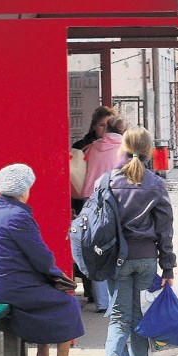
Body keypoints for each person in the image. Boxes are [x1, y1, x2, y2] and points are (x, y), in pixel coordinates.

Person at [0, 164, 87, 356]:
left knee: (48, 293)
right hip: (7, 287)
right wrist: (57, 276)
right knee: (66, 302)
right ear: (25, 190)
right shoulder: (17, 216)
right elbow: (40, 256)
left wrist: (51, 277)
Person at [103, 127, 176, 356]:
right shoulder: (155, 184)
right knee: (141, 320)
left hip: (116, 260)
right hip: (146, 259)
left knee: (121, 317)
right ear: (148, 151)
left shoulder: (107, 181)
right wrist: (167, 267)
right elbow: (165, 230)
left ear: (122, 148)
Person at [80, 116, 127, 312]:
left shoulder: (91, 147)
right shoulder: (124, 149)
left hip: (90, 201)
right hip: (116, 201)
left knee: (95, 248)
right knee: (118, 249)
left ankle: (101, 302)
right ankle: (117, 297)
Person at [71, 106, 117, 302]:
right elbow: (76, 178)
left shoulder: (117, 145)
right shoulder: (82, 146)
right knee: (90, 244)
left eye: (108, 125)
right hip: (87, 202)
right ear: (94, 126)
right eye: (101, 125)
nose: (104, 129)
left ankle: (103, 294)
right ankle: (92, 290)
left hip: (111, 200)